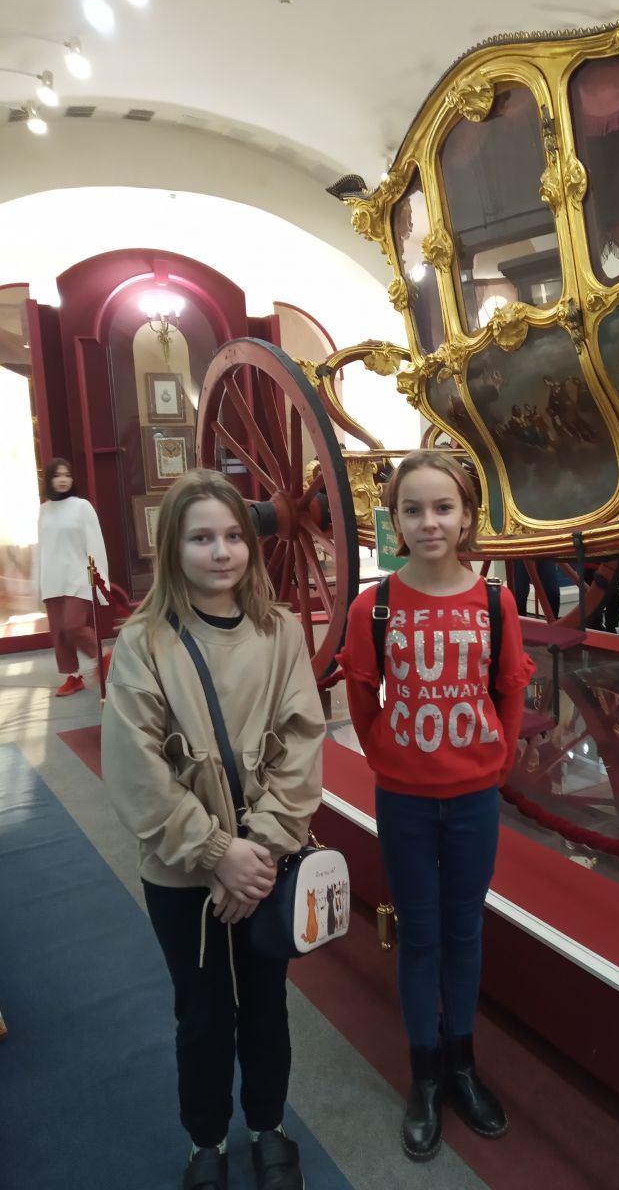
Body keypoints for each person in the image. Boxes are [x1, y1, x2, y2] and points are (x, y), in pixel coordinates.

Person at [101, 469, 324, 1190]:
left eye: (233, 536)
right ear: (173, 547)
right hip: (183, 870)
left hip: (264, 863)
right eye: (201, 538)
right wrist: (215, 852)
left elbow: (301, 742)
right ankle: (206, 1140)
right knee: (200, 1013)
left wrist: (257, 851)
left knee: (265, 1003)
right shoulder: (142, 642)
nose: (221, 551)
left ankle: (268, 1125)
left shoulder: (281, 632)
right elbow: (134, 766)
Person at [338, 450, 534, 1162]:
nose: (429, 522)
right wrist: (387, 753)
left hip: (473, 797)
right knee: (419, 935)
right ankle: (424, 1074)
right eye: (413, 510)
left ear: (466, 517)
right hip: (406, 801)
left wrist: (494, 760)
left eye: (443, 508)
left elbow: (509, 687)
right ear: (394, 521)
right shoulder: (374, 606)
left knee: (464, 931)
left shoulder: (494, 602)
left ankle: (462, 1065)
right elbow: (362, 694)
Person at [32, 457, 111, 696]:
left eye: (67, 475)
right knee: (59, 633)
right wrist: (37, 585)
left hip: (78, 576)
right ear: (49, 480)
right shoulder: (44, 511)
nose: (63, 479)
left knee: (73, 625)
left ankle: (103, 658)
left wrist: (101, 582)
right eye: (57, 475)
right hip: (52, 579)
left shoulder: (82, 507)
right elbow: (41, 549)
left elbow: (95, 544)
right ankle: (73, 677)